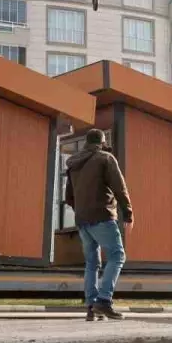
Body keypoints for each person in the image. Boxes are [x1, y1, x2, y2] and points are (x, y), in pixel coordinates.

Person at [64, 128, 133, 321]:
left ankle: (91, 306)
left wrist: (82, 209)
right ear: (102, 143)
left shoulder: (74, 164)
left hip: (82, 220)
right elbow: (120, 187)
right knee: (118, 255)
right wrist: (128, 213)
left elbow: (68, 197)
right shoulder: (105, 158)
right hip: (102, 216)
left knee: (92, 264)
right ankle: (104, 300)